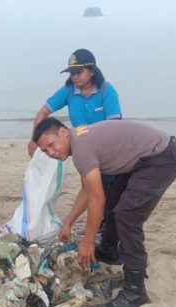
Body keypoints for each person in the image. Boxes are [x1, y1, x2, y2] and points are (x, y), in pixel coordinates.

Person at [33, 117, 176, 307]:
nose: (51, 153)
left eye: (51, 145)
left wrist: (87, 241)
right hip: (141, 160)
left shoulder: (82, 150)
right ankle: (110, 251)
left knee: (127, 216)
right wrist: (68, 223)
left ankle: (135, 290)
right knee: (113, 203)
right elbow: (88, 190)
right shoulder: (80, 141)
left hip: (161, 158)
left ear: (63, 132)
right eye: (45, 151)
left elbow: (97, 199)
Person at [25, 49, 123, 251]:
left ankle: (107, 232)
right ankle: (99, 227)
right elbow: (44, 112)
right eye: (71, 73)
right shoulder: (69, 91)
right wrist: (35, 139)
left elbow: (115, 125)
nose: (74, 77)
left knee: (110, 193)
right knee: (91, 189)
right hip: (82, 150)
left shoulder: (106, 91)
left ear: (92, 71)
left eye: (79, 72)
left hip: (106, 151)